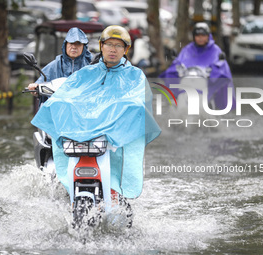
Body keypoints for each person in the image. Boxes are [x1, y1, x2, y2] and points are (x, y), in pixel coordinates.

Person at [30, 25, 161, 200]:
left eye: (118, 46)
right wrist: (57, 102)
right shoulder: (86, 72)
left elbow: (140, 103)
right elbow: (68, 93)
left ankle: (118, 192)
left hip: (114, 136)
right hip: (85, 132)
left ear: (126, 49)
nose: (113, 49)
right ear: (101, 46)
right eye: (109, 44)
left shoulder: (135, 76)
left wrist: (122, 109)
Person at [160, 22, 235, 110]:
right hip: (188, 80)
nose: (200, 38)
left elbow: (221, 65)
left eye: (203, 35)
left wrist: (215, 71)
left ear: (208, 36)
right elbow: (179, 62)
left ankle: (215, 107)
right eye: (198, 35)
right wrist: (176, 67)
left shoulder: (215, 50)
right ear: (194, 36)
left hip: (207, 82)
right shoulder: (187, 49)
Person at [28, 27, 92, 102]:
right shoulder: (54, 65)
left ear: (84, 47)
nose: (74, 47)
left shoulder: (90, 66)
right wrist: (35, 86)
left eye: (78, 44)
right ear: (65, 45)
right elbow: (41, 81)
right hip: (57, 107)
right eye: (71, 43)